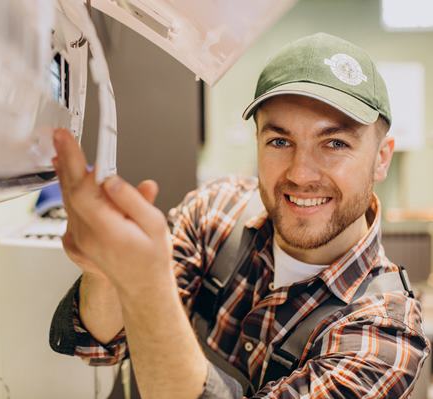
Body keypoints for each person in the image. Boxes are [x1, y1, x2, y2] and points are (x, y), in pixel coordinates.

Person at [48, 33, 430, 398]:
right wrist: (105, 271)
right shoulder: (215, 213)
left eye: (334, 143)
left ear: (381, 158)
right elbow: (99, 343)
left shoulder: (385, 336)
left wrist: (146, 283)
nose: (300, 173)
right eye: (280, 141)